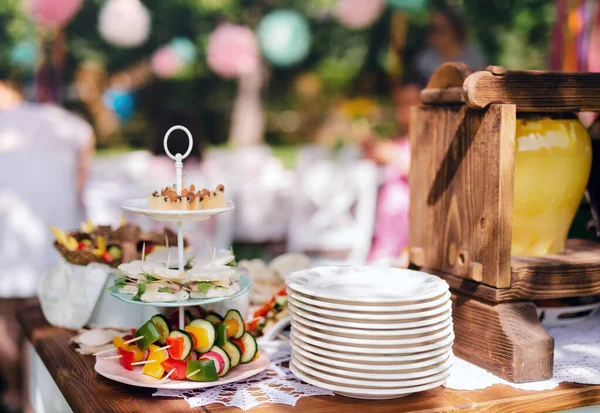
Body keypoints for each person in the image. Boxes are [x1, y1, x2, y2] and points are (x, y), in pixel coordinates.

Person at [0, 72, 94, 413]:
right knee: (46, 321)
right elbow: (83, 180)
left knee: (6, 318)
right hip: (51, 233)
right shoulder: (70, 124)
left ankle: (14, 391)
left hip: (9, 236)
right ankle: (34, 397)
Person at [364, 82, 421, 265]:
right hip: (386, 235)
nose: (404, 109)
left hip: (409, 236)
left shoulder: (428, 143)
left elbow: (427, 181)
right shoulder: (396, 140)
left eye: (410, 103)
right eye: (401, 103)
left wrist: (394, 157)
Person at [413, 6, 486, 84]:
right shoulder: (423, 61)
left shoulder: (474, 59)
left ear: (455, 30)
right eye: (432, 29)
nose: (435, 35)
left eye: (441, 29)